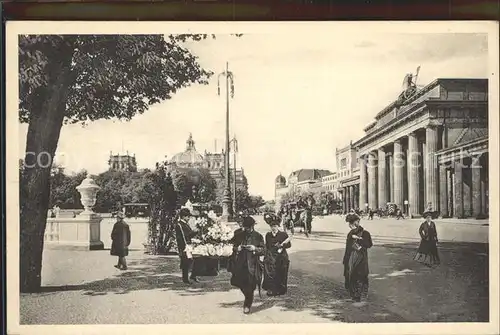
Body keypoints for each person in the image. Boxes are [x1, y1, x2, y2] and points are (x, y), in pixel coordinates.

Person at [230, 216, 265, 314]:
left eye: (249, 227)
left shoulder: (258, 236)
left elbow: (264, 250)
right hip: (240, 264)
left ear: (253, 226)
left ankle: (247, 305)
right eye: (245, 227)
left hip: (252, 264)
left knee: (250, 285)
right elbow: (231, 246)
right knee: (240, 283)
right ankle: (247, 297)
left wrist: (255, 248)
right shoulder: (239, 235)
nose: (247, 229)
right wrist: (237, 248)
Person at [343, 213, 373, 303]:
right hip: (351, 258)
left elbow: (369, 245)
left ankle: (362, 294)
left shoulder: (365, 233)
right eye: (350, 224)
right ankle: (355, 295)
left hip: (361, 258)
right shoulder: (350, 234)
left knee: (362, 275)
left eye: (353, 223)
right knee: (351, 276)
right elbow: (348, 248)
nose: (351, 225)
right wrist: (345, 260)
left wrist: (360, 239)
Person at [262, 213, 291, 297]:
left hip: (281, 256)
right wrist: (266, 256)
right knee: (270, 273)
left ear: (278, 226)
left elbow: (289, 245)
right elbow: (267, 246)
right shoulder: (268, 235)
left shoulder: (283, 235)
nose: (273, 228)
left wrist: (282, 245)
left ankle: (281, 289)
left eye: (275, 226)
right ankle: (271, 289)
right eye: (272, 226)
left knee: (281, 272)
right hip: (271, 256)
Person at [175, 208, 199, 284]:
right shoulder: (180, 225)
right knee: (185, 262)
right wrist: (195, 232)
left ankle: (193, 276)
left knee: (191, 261)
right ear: (183, 217)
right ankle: (185, 279)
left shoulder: (185, 224)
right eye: (188, 217)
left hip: (187, 245)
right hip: (184, 246)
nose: (189, 218)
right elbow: (185, 235)